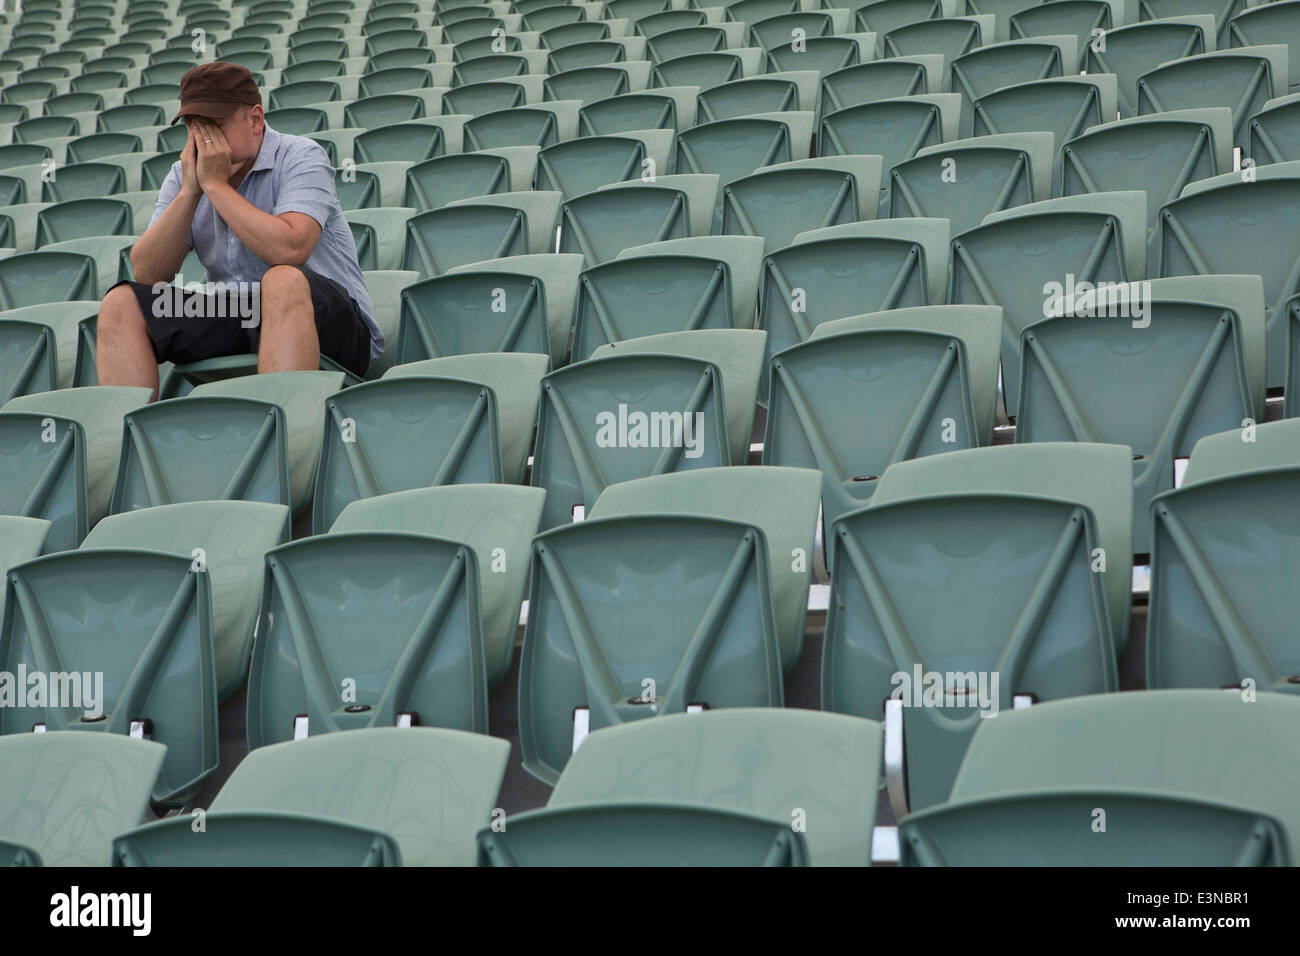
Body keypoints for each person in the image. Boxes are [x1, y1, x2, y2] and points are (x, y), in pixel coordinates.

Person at [96, 61, 381, 396]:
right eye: (195, 128)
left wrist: (216, 187)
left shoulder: (300, 155)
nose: (206, 142)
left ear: (255, 120)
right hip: (238, 313)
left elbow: (291, 249)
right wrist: (191, 191)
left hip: (330, 321)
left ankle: (289, 434)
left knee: (283, 278)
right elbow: (147, 272)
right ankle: (129, 440)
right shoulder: (182, 175)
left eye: (215, 126)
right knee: (122, 302)